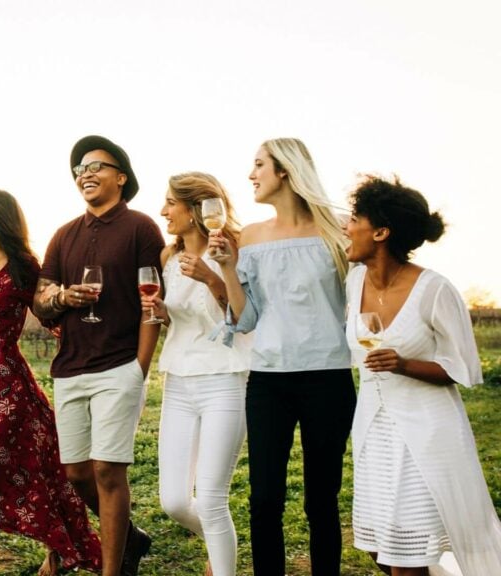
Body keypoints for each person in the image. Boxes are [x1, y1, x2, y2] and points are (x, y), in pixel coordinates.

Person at [0, 189, 103, 576]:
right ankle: (57, 548)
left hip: (9, 385)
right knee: (35, 472)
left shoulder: (23, 266)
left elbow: (50, 315)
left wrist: (86, 349)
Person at [208, 138, 356, 576]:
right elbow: (246, 319)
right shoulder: (249, 237)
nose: (251, 175)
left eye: (259, 165)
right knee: (264, 498)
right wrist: (227, 268)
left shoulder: (339, 230)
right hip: (269, 380)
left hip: (328, 378)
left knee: (321, 499)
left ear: (286, 171)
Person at [341, 175, 501, 576]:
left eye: (355, 218)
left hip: (425, 436)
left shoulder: (434, 290)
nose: (347, 225)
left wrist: (404, 364)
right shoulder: (354, 280)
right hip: (373, 432)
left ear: (380, 231)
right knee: (381, 550)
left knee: (406, 559)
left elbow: (464, 369)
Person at [32, 135, 165, 576]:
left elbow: (152, 302)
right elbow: (40, 297)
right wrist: (64, 298)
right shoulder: (63, 235)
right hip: (70, 367)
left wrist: (139, 369)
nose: (84, 174)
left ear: (121, 178)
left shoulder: (141, 228)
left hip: (119, 364)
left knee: (108, 468)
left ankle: (113, 570)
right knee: (77, 473)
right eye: (79, 170)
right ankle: (129, 536)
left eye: (96, 166)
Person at [141, 172, 250, 576]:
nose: (163, 211)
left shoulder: (231, 250)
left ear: (196, 209)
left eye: (171, 203)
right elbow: (187, 320)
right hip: (179, 379)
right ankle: (222, 544)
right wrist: (164, 313)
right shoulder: (168, 259)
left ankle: (222, 568)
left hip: (224, 378)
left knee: (212, 497)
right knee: (173, 500)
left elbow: (240, 317)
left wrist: (211, 277)